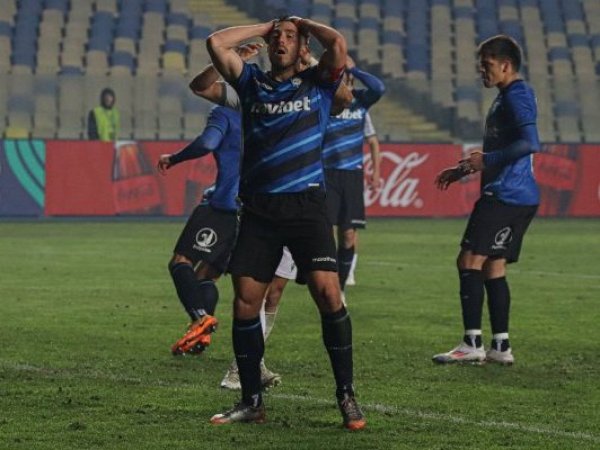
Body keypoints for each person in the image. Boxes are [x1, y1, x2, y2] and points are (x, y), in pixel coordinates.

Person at [206, 16, 366, 429]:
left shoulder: (319, 83)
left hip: (306, 207)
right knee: (245, 302)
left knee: (329, 294)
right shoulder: (251, 83)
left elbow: (338, 44)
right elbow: (216, 42)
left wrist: (301, 24)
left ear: (301, 46)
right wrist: (265, 27)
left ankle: (346, 395)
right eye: (277, 37)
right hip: (259, 210)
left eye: (290, 38)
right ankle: (251, 401)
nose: (281, 41)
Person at [432, 35, 540, 365]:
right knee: (494, 265)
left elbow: (530, 142)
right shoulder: (507, 96)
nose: (482, 70)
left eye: (487, 64)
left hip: (505, 195)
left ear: (506, 65)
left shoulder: (517, 95)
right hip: (519, 195)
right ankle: (501, 347)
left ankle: (471, 343)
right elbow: (503, 148)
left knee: (468, 261)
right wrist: (464, 169)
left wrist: (487, 161)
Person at [157, 105, 240, 357]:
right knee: (207, 275)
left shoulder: (225, 113)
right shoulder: (268, 111)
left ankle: (200, 318)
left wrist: (174, 158)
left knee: (180, 262)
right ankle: (201, 336)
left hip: (223, 206)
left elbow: (207, 143)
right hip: (253, 213)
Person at [322, 56, 385, 296]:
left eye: (346, 76)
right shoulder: (326, 100)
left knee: (348, 235)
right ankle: (326, 284)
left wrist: (354, 69)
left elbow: (379, 88)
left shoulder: (361, 101)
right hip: (326, 173)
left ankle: (340, 290)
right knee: (325, 232)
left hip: (352, 175)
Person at [220, 246, 296, 390]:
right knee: (257, 293)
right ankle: (238, 369)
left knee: (274, 295)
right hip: (264, 235)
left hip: (291, 236)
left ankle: (256, 363)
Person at [344, 111, 381, 288]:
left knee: (349, 229)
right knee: (324, 226)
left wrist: (376, 172)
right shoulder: (325, 105)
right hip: (326, 172)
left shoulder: (360, 110)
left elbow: (372, 140)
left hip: (352, 174)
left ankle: (349, 270)